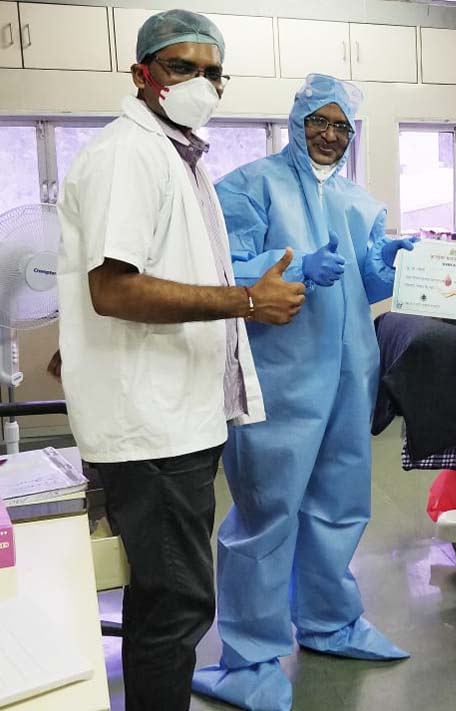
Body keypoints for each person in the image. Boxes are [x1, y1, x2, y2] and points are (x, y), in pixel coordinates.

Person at [56, 9, 305, 711]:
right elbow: (112, 286)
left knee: (165, 598)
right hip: (153, 427)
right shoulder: (127, 155)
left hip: (176, 418)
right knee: (176, 608)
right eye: (181, 67)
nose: (202, 82)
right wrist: (246, 302)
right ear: (142, 74)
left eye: (213, 71)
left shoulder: (176, 155)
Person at [192, 74, 414, 711]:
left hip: (349, 374)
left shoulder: (359, 202)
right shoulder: (248, 186)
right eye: (320, 120)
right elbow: (219, 274)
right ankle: (249, 657)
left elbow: (364, 289)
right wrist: (278, 266)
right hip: (277, 379)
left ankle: (330, 623)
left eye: (342, 126)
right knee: (267, 512)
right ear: (296, 121)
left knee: (340, 505)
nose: (330, 135)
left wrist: (389, 262)